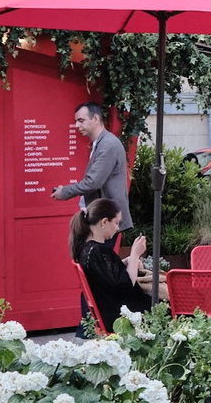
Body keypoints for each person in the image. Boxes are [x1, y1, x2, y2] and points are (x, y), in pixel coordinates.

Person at [54, 102, 130, 261]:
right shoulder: (102, 143)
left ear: (96, 118)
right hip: (103, 219)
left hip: (106, 220)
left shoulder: (108, 145)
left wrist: (65, 191)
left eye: (81, 120)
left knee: (98, 270)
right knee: (96, 268)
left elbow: (93, 182)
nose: (76, 125)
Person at [75, 198, 150, 335]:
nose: (117, 228)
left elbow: (107, 276)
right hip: (120, 315)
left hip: (109, 311)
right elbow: (126, 285)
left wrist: (127, 261)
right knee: (174, 307)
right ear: (104, 222)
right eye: (116, 223)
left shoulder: (87, 249)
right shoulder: (99, 251)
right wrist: (134, 255)